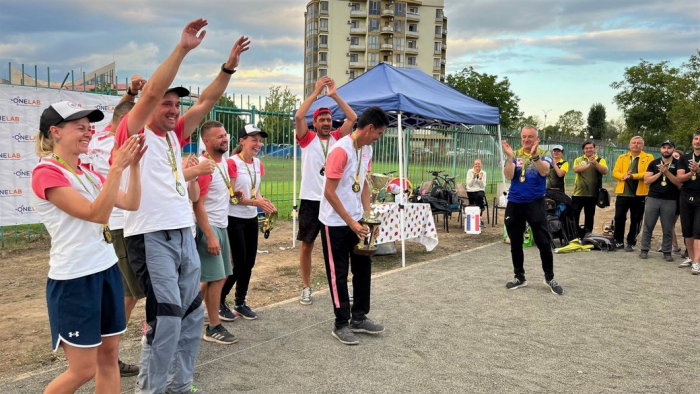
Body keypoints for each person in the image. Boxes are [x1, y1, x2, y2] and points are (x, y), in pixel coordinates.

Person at [114, 19, 250, 393]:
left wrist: (228, 67)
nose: (173, 109)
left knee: (191, 317)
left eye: (177, 104)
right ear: (150, 105)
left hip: (182, 233)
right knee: (167, 318)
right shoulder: (135, 130)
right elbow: (152, 90)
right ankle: (151, 388)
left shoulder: (176, 136)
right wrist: (183, 48)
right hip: (150, 235)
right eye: (166, 103)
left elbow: (207, 100)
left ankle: (180, 385)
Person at [31, 101, 144, 393]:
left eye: (89, 127)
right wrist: (117, 169)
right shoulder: (46, 172)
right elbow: (97, 213)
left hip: (106, 270)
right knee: (83, 369)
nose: (88, 132)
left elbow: (131, 203)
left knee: (108, 358)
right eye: (79, 127)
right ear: (55, 132)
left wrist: (134, 166)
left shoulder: (89, 172)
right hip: (74, 279)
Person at [82, 85, 144, 377]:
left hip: (118, 223)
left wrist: (131, 93)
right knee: (129, 294)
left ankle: (108, 353)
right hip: (121, 224)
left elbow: (121, 112)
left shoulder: (105, 135)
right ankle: (108, 354)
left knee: (128, 292)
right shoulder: (115, 143)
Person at [319, 106, 389, 345]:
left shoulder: (366, 149)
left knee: (363, 267)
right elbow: (329, 192)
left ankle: (359, 317)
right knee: (338, 273)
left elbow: (365, 184)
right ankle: (341, 324)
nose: (379, 139)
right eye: (379, 134)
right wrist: (351, 222)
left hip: (357, 220)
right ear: (369, 128)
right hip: (335, 222)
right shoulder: (340, 150)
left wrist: (367, 217)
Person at [294, 77, 357, 306]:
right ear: (315, 123)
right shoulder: (307, 138)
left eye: (329, 119)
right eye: (321, 119)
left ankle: (343, 286)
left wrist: (334, 96)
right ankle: (306, 287)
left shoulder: (338, 138)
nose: (326, 122)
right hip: (311, 199)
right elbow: (299, 116)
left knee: (340, 246)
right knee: (307, 244)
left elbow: (353, 118)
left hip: (332, 200)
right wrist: (316, 91)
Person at [219, 124, 277, 321]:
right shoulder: (232, 163)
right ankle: (219, 300)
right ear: (242, 141)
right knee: (238, 263)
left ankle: (240, 302)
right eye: (254, 139)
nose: (258, 144)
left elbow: (255, 190)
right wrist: (256, 202)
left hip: (251, 217)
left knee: (250, 262)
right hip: (234, 219)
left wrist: (264, 203)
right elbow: (232, 197)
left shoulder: (257, 163)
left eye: (260, 140)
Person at [501, 125, 563, 295]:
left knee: (543, 241)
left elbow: (544, 172)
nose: (526, 140)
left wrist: (535, 156)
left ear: (537, 139)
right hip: (515, 202)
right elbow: (508, 175)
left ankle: (549, 278)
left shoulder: (544, 154)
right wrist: (509, 157)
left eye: (530, 137)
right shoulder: (516, 154)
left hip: (535, 202)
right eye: (524, 137)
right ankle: (519, 277)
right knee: (515, 242)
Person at [193, 121, 238, 345]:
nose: (224, 139)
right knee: (216, 278)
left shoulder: (220, 163)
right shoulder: (204, 166)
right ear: (207, 141)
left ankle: (191, 318)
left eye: (225, 135)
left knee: (214, 278)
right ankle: (212, 326)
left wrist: (233, 193)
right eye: (219, 136)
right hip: (209, 228)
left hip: (221, 225)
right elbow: (197, 204)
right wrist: (209, 235)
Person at [639, 140, 681, 261]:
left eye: (669, 147)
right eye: (664, 147)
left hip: (670, 199)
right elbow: (647, 180)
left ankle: (667, 251)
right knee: (648, 225)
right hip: (653, 198)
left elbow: (679, 183)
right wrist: (659, 173)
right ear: (660, 149)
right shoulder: (654, 163)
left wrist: (667, 172)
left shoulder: (678, 164)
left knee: (668, 227)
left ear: (673, 149)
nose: (666, 150)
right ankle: (644, 249)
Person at [611, 136, 654, 251]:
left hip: (639, 193)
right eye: (633, 143)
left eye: (639, 143)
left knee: (636, 219)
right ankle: (618, 240)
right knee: (619, 217)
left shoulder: (649, 157)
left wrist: (633, 176)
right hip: (623, 193)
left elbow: (648, 173)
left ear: (642, 146)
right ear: (629, 145)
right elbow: (615, 172)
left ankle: (631, 241)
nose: (636, 145)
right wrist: (623, 176)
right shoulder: (622, 157)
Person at [676, 130, 700, 274]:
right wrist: (692, 173)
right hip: (685, 197)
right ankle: (692, 258)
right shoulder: (684, 158)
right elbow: (679, 178)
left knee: (698, 231)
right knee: (687, 230)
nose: (698, 141)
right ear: (692, 141)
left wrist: (699, 170)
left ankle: (697, 262)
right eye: (696, 139)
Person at [572, 141, 608, 233]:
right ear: (583, 150)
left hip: (592, 194)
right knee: (574, 215)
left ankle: (587, 234)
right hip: (578, 193)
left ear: (594, 149)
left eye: (591, 148)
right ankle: (574, 233)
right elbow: (576, 169)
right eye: (586, 148)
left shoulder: (600, 160)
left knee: (589, 216)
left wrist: (595, 163)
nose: (589, 150)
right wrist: (589, 164)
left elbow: (605, 171)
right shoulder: (578, 160)